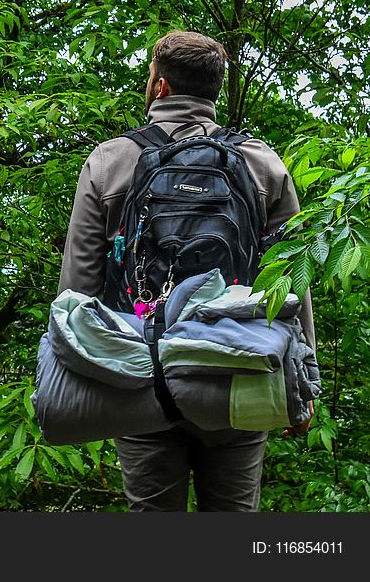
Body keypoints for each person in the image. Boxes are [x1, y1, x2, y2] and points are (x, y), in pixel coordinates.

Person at [57, 30, 316, 511]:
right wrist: (304, 380)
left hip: (139, 372)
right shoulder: (263, 165)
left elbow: (78, 289)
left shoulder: (111, 162)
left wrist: (70, 385)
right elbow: (292, 283)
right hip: (240, 372)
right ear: (214, 91)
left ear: (159, 87)